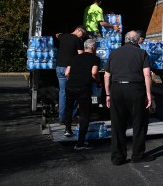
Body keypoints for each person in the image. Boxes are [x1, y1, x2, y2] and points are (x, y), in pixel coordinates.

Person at [104, 30, 154, 165]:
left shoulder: (114, 53)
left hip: (116, 89)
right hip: (135, 89)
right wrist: (148, 94)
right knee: (139, 123)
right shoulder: (142, 53)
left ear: (126, 39)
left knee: (117, 124)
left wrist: (108, 93)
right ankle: (137, 155)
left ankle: (117, 158)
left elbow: (106, 75)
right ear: (137, 40)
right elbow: (147, 75)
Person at [63, 39, 100, 150]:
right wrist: (97, 80)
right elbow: (94, 72)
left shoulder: (73, 58)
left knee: (69, 108)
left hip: (70, 86)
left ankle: (68, 129)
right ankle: (80, 142)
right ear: (93, 48)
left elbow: (66, 73)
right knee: (84, 114)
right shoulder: (95, 58)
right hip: (83, 87)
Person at [55, 25, 86, 131]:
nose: (83, 36)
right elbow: (81, 56)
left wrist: (59, 35)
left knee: (62, 93)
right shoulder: (77, 40)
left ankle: (62, 117)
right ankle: (70, 117)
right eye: (83, 33)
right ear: (78, 30)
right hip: (69, 69)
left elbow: (57, 35)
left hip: (59, 68)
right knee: (73, 93)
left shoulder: (63, 36)